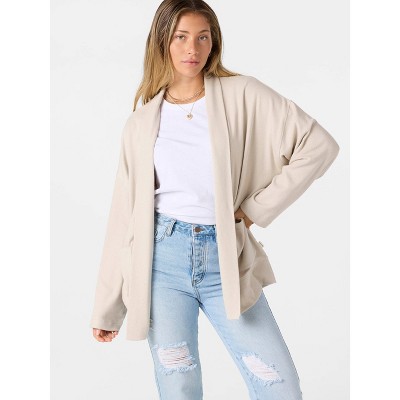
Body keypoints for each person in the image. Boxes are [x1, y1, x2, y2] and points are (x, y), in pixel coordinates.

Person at [90, 1, 340, 399]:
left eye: (202, 38)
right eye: (181, 37)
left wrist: (255, 209)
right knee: (179, 386)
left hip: (224, 257)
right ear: (162, 42)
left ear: (214, 43)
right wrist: (107, 309)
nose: (192, 49)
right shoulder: (140, 123)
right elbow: (124, 216)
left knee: (279, 385)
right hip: (160, 262)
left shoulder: (242, 93)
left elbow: (319, 146)